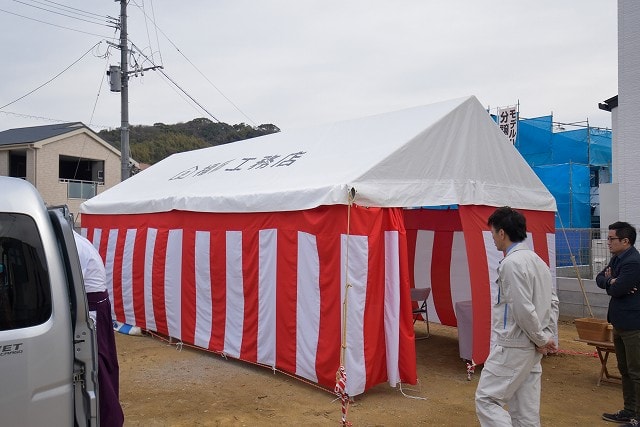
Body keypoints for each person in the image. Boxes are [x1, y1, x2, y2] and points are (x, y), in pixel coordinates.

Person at [475, 206, 559, 426]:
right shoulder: (539, 261)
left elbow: (522, 309)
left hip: (514, 345)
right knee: (525, 411)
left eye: (493, 233)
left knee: (487, 399)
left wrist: (542, 339)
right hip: (531, 347)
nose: (493, 238)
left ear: (502, 233)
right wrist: (546, 337)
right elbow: (553, 303)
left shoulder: (511, 264)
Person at [74, 231, 125, 427]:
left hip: (93, 306)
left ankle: (108, 418)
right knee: (99, 363)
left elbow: (75, 284)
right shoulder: (76, 242)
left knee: (98, 364)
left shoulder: (75, 246)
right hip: (92, 304)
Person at [597, 221, 640, 426]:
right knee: (625, 369)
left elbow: (619, 289)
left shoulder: (632, 262)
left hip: (634, 325)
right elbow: (600, 278)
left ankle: (637, 417)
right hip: (620, 323)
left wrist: (614, 282)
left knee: (636, 371)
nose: (608, 242)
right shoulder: (617, 259)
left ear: (626, 241)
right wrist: (611, 280)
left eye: (611, 238)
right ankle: (629, 410)